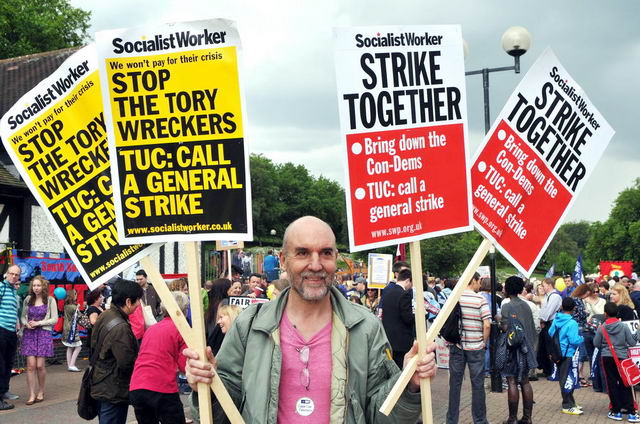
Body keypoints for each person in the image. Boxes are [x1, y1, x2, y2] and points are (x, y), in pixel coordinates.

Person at [184, 216, 436, 423]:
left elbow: (381, 416)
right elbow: (222, 413)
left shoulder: (366, 327)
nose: (315, 265)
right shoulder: (249, 326)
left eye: (325, 253)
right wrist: (206, 386)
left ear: (335, 258)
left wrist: (408, 385)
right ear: (283, 260)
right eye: (303, 253)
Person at [129, 292, 189, 424]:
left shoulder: (152, 329)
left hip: (138, 385)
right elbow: (185, 365)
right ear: (184, 310)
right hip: (162, 387)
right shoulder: (182, 330)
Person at [91, 278, 143, 424]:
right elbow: (126, 362)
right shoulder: (121, 328)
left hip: (100, 381)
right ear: (128, 302)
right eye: (138, 300)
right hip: (114, 389)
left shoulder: (106, 314)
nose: (139, 304)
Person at [446, 272, 491, 424]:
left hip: (457, 346)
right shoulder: (480, 299)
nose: (480, 285)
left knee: (454, 385)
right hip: (476, 347)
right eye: (479, 281)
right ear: (473, 280)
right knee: (477, 385)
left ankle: (451, 420)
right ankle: (480, 420)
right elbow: (487, 324)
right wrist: (483, 342)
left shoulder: (455, 297)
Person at [593, 302, 640, 422]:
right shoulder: (623, 327)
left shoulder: (602, 327)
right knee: (626, 383)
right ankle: (631, 412)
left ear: (605, 314)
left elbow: (596, 344)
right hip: (622, 357)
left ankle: (616, 411)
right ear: (617, 313)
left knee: (611, 383)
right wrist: (638, 333)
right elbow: (632, 343)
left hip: (607, 357)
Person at [499, 276, 537, 424]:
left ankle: (512, 418)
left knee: (512, 381)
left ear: (508, 289)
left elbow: (506, 328)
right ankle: (527, 417)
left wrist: (499, 321)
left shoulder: (507, 306)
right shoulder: (526, 305)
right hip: (527, 348)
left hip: (513, 350)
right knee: (525, 381)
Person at [20, 276, 57, 405]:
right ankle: (31, 394)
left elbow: (54, 319)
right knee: (31, 366)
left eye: (38, 285)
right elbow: (23, 316)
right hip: (29, 334)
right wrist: (26, 323)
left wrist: (39, 323)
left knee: (40, 366)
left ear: (43, 286)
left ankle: (41, 391)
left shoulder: (50, 300)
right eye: (34, 285)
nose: (36, 288)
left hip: (43, 334)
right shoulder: (28, 299)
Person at [548, 297, 584, 415]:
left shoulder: (556, 318)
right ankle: (567, 405)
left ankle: (571, 402)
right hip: (568, 354)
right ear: (574, 308)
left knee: (566, 378)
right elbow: (574, 340)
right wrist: (581, 338)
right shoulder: (572, 323)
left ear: (562, 307)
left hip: (558, 353)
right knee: (567, 379)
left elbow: (550, 332)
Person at [382, 269, 415, 368]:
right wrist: (420, 315)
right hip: (401, 341)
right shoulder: (404, 295)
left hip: (388, 339)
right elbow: (408, 318)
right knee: (401, 370)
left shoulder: (387, 292)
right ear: (408, 280)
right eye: (411, 283)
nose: (411, 286)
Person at [0, 265, 21, 409]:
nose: (13, 276)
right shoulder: (1, 287)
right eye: (11, 273)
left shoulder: (14, 291)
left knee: (8, 364)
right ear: (7, 274)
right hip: (1, 330)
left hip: (11, 332)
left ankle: (4, 391)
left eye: (16, 275)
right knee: (1, 365)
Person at [537, 277, 562, 377]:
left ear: (549, 285)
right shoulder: (548, 296)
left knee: (551, 347)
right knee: (544, 347)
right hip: (546, 323)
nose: (543, 288)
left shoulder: (555, 297)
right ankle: (546, 369)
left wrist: (542, 319)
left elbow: (548, 312)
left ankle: (552, 370)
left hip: (551, 323)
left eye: (544, 285)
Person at [62, 289, 83, 372]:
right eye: (75, 294)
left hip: (66, 328)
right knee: (78, 347)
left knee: (70, 347)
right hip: (72, 330)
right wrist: (78, 308)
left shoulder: (66, 306)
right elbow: (79, 316)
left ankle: (69, 365)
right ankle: (72, 364)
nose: (76, 295)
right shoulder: (73, 307)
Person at [85, 288, 105, 356]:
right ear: (96, 299)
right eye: (100, 296)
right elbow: (93, 322)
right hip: (95, 337)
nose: (103, 297)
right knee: (95, 356)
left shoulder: (100, 307)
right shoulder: (92, 309)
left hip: (100, 336)